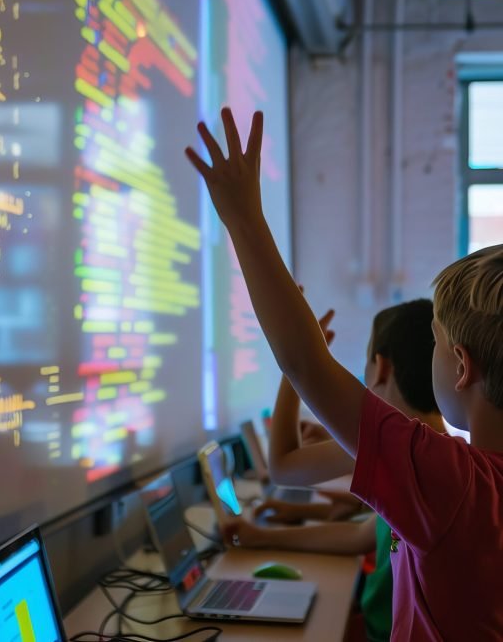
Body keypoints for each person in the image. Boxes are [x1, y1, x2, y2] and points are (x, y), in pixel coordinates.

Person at [185, 108, 503, 640]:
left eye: (438, 345)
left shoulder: (457, 482)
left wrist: (243, 217)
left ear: (462, 366)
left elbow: (306, 364)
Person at [225, 299, 445, 642]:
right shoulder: (443, 453)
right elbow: (362, 537)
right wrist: (263, 536)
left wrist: (294, 364)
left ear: (381, 368)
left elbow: (283, 464)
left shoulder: (399, 446)